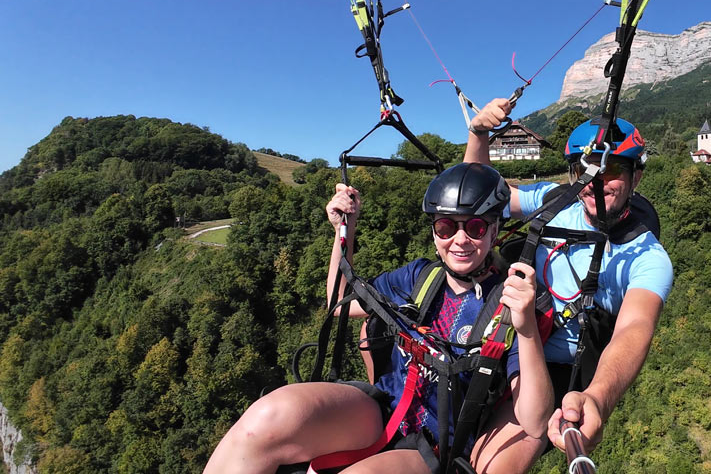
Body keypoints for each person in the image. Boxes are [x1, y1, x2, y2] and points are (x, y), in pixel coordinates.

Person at [204, 163, 552, 474]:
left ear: (494, 231)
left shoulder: (507, 304)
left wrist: (525, 329)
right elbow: (340, 304)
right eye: (446, 227)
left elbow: (534, 420)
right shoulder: (420, 277)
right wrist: (345, 230)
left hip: (433, 444)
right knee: (265, 418)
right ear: (434, 232)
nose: (459, 240)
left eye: (475, 227)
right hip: (381, 407)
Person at [464, 99, 673, 473]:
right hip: (502, 337)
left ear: (636, 178)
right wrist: (478, 135)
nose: (596, 182)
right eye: (586, 169)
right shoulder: (555, 201)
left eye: (612, 171)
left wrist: (597, 397)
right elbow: (476, 196)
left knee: (486, 465)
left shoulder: (645, 257)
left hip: (554, 367)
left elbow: (634, 328)